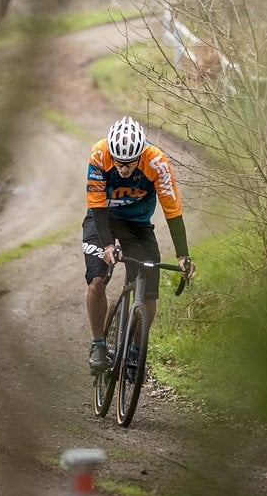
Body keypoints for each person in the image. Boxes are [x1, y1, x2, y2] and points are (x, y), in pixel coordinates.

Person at [83, 116, 196, 372]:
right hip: (102, 220)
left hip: (138, 225)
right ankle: (99, 344)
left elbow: (173, 210)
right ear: (112, 154)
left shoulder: (156, 161)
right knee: (97, 280)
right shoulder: (100, 154)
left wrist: (183, 255)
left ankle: (135, 350)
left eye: (129, 163)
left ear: (141, 153)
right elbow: (97, 204)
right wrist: (108, 245)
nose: (123, 169)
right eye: (119, 163)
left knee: (149, 291)